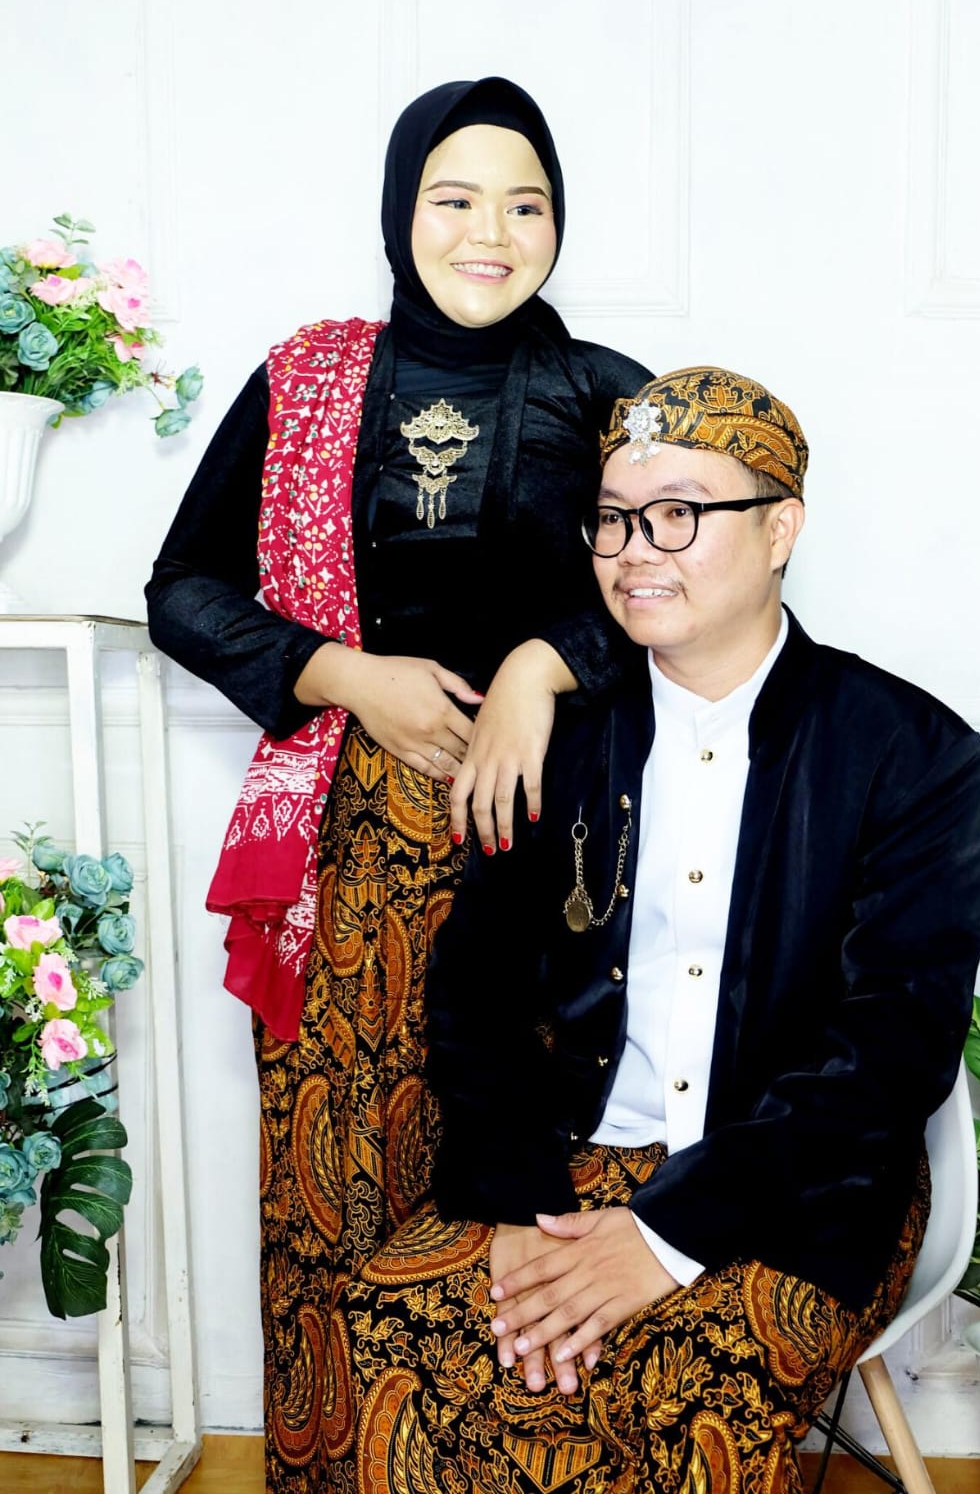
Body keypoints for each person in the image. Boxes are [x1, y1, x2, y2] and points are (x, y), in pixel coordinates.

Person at [327, 365, 980, 1491]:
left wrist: (666, 1235)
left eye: (678, 514)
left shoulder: (910, 752)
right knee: (391, 1333)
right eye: (614, 519)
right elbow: (475, 995)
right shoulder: (558, 739)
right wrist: (519, 1206)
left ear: (780, 529)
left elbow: (894, 1049)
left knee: (682, 1388)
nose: (635, 551)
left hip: (800, 1186)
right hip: (569, 1161)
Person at [145, 77, 650, 1490]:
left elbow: (690, 590)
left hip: (553, 859)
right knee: (337, 1192)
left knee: (518, 1184)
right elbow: (181, 588)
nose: (491, 232)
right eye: (455, 197)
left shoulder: (609, 396)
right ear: (398, 211)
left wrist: (544, 664)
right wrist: (340, 673)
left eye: (526, 204)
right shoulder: (308, 384)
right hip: (346, 859)